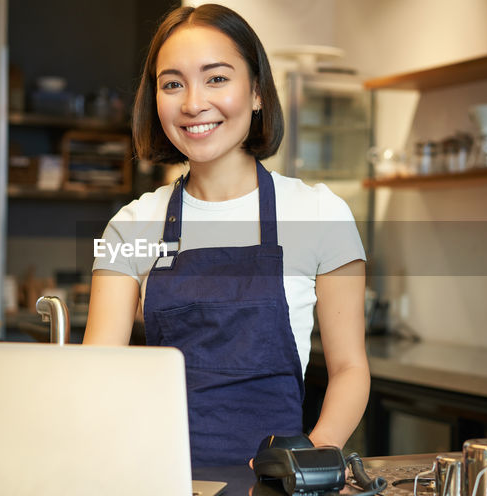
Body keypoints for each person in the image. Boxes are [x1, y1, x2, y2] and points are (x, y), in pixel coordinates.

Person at [84, 4, 370, 468]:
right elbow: (97, 374)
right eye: (172, 83)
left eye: (216, 78)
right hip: (160, 474)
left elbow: (350, 370)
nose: (193, 103)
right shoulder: (131, 224)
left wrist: (310, 460)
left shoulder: (320, 213)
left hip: (278, 480)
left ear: (257, 92)